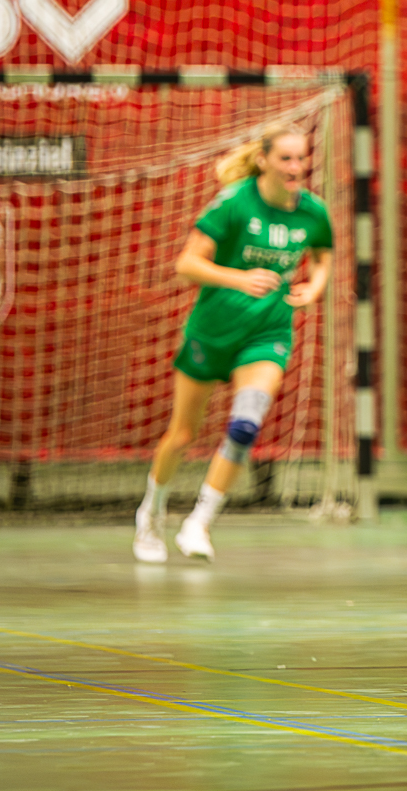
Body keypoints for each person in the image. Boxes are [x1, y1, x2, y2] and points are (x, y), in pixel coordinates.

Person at [134, 125, 333, 563]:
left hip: (267, 334)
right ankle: (151, 511)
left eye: (301, 158)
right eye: (286, 159)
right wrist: (239, 278)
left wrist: (315, 287)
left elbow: (322, 255)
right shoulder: (234, 203)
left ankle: (200, 522)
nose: (296, 168)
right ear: (264, 161)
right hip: (213, 331)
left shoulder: (313, 211)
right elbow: (186, 264)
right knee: (182, 434)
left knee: (245, 427)